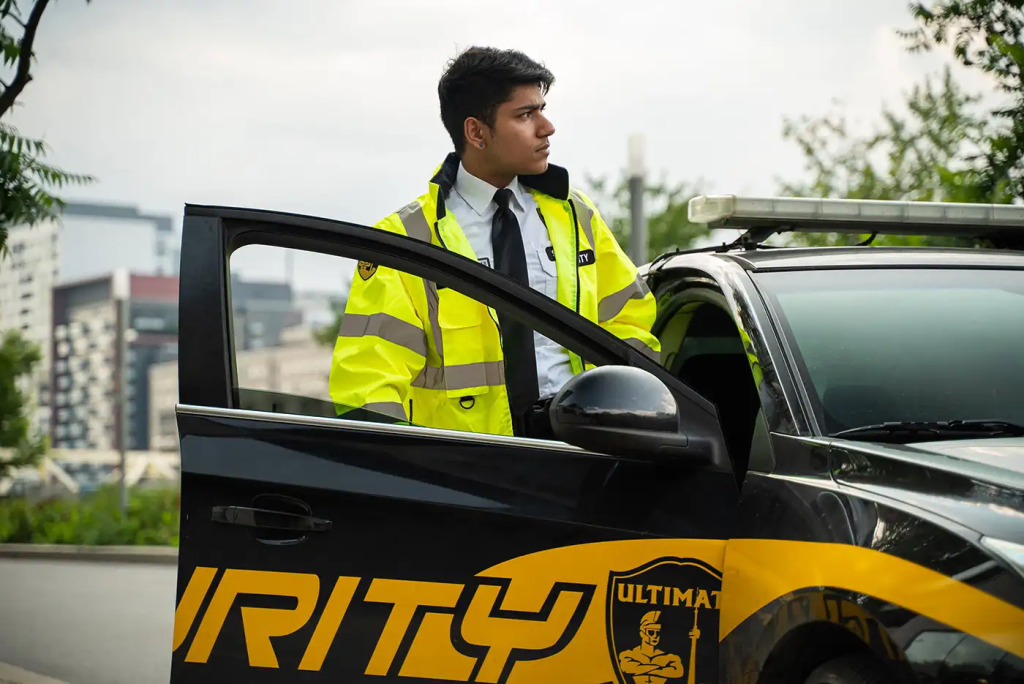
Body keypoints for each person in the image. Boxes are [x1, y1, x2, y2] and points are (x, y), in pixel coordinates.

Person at [329, 46, 660, 438]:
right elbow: (368, 381)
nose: (547, 127)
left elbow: (630, 320)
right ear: (476, 132)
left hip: (584, 451)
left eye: (542, 109)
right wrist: (405, 481)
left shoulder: (575, 214)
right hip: (474, 472)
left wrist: (626, 418)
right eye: (525, 114)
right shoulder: (405, 239)